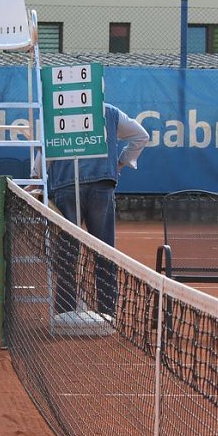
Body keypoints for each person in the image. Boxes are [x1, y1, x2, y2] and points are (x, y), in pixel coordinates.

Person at [47, 102, 149, 316]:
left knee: (67, 253)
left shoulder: (58, 109)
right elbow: (141, 136)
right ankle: (107, 312)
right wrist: (121, 163)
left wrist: (36, 176)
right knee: (104, 252)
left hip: (65, 185)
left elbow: (46, 148)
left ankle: (64, 312)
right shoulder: (110, 111)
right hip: (102, 186)